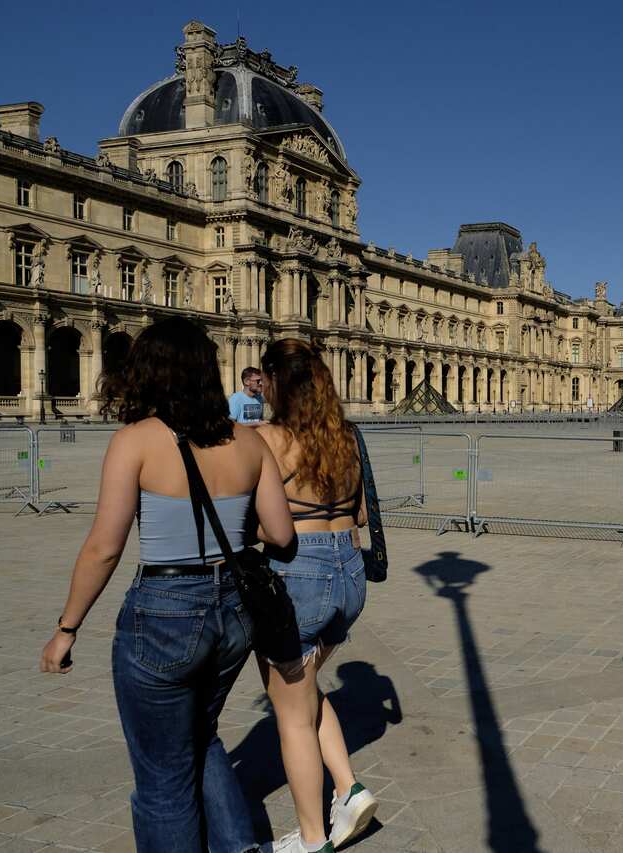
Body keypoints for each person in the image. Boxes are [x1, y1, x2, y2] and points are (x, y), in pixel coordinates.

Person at [38, 317, 295, 853]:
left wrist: (67, 627)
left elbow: (104, 547)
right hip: (234, 614)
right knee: (201, 738)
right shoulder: (248, 442)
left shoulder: (135, 441)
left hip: (164, 609)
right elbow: (281, 535)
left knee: (162, 779)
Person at [256, 339, 377, 853]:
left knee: (290, 718)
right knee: (304, 692)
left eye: (264, 379)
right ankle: (348, 789)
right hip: (351, 574)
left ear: (278, 385)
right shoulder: (346, 437)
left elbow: (266, 527)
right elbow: (364, 517)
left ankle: (310, 840)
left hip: (298, 576)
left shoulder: (266, 439)